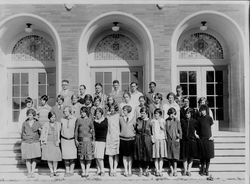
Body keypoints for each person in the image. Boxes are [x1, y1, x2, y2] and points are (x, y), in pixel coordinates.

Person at [20, 109, 42, 178]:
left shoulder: (37, 123)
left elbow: (41, 133)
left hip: (35, 142)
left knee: (34, 158)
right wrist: (25, 139)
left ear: (34, 115)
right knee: (28, 158)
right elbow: (22, 133)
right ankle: (29, 172)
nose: (30, 116)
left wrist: (40, 134)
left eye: (31, 115)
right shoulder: (24, 123)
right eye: (29, 115)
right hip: (27, 142)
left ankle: (32, 172)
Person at [74, 106, 95, 178]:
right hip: (80, 140)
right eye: (81, 112)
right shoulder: (78, 120)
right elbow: (76, 130)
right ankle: (83, 171)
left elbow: (93, 131)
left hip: (88, 140)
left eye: (84, 112)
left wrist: (93, 140)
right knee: (81, 157)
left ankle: (87, 171)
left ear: (86, 112)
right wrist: (76, 139)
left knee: (89, 157)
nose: (82, 113)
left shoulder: (90, 120)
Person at [40, 111, 62, 177]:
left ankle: (55, 171)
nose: (53, 118)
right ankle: (51, 171)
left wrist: (58, 140)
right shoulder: (46, 124)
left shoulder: (58, 124)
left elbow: (59, 133)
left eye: (54, 117)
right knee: (49, 158)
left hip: (55, 143)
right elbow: (43, 133)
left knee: (55, 158)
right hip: (48, 142)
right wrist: (42, 142)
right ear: (49, 118)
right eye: (52, 117)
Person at [134, 107, 152, 177]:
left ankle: (147, 169)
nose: (142, 114)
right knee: (139, 154)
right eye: (141, 113)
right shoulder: (138, 120)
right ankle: (140, 169)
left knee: (147, 153)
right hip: (139, 138)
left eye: (143, 113)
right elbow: (135, 129)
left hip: (147, 138)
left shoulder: (150, 121)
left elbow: (152, 131)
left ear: (147, 113)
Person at [180, 108, 199, 176]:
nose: (187, 114)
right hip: (184, 140)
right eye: (186, 113)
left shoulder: (194, 121)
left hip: (192, 140)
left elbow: (198, 129)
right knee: (185, 156)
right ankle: (185, 170)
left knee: (191, 157)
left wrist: (196, 134)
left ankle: (189, 170)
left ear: (191, 114)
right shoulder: (182, 121)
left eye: (188, 113)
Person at [197, 105, 215, 176]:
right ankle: (202, 169)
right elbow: (197, 129)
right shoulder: (199, 119)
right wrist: (196, 135)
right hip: (202, 138)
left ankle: (207, 169)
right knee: (202, 156)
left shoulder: (209, 118)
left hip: (208, 138)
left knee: (208, 155)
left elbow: (212, 127)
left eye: (204, 110)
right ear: (200, 111)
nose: (203, 112)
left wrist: (212, 136)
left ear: (206, 111)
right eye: (201, 110)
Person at [119, 105, 136, 177]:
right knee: (125, 156)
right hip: (123, 139)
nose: (123, 111)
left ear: (128, 111)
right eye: (123, 110)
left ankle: (129, 169)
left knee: (130, 156)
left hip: (131, 139)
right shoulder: (120, 118)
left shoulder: (133, 119)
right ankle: (125, 170)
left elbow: (135, 128)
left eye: (125, 110)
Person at [61, 106, 77, 177]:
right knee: (66, 156)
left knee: (72, 156)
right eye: (64, 111)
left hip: (72, 140)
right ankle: (67, 171)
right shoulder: (62, 120)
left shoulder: (75, 119)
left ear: (70, 111)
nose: (64, 112)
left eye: (66, 111)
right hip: (64, 140)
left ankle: (71, 170)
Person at [165, 107, 182, 177]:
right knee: (169, 157)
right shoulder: (166, 121)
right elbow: (165, 130)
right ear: (168, 114)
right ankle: (171, 170)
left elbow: (180, 130)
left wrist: (179, 138)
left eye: (173, 113)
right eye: (171, 113)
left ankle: (175, 170)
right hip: (168, 140)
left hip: (175, 140)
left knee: (175, 157)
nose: (172, 115)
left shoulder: (177, 121)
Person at [151, 108, 167, 177]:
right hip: (155, 139)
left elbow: (165, 130)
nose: (156, 115)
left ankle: (160, 170)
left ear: (160, 114)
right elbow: (152, 131)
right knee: (156, 156)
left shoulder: (163, 120)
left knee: (161, 156)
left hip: (162, 139)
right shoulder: (153, 121)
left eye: (157, 114)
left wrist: (161, 125)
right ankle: (157, 170)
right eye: (155, 114)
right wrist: (152, 137)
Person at [105, 103, 120, 177]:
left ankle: (115, 169)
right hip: (109, 136)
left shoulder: (118, 116)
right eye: (111, 108)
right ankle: (111, 169)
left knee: (116, 154)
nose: (112, 110)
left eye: (113, 108)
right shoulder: (107, 116)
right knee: (110, 154)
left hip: (117, 136)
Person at [93, 108, 108, 176]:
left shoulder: (105, 120)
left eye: (99, 113)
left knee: (100, 156)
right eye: (96, 113)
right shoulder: (94, 121)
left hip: (103, 140)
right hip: (96, 140)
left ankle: (102, 170)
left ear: (102, 114)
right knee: (96, 156)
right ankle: (98, 169)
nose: (97, 114)